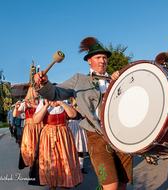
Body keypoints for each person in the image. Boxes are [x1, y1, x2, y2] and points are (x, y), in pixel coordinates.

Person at [34, 37, 133, 190]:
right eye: (98, 58)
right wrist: (44, 83)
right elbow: (55, 93)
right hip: (97, 136)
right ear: (89, 60)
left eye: (104, 58)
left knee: (122, 184)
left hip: (120, 135)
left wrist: (120, 81)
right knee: (111, 186)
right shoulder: (79, 80)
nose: (102, 61)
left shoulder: (115, 79)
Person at [32, 98, 83, 189]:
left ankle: (64, 184)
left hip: (63, 136)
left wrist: (61, 103)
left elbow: (73, 114)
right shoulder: (43, 104)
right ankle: (52, 185)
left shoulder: (63, 104)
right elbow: (36, 120)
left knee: (64, 161)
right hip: (48, 137)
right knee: (51, 162)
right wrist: (46, 106)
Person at [13, 86, 42, 168]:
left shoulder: (40, 101)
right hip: (29, 127)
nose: (37, 92)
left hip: (39, 125)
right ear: (30, 92)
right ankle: (31, 165)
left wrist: (31, 104)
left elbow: (43, 109)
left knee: (40, 146)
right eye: (35, 91)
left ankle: (40, 165)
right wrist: (16, 108)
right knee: (30, 147)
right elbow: (15, 114)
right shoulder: (24, 103)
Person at [68, 97, 89, 174]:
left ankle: (81, 167)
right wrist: (72, 107)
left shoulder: (81, 106)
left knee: (81, 148)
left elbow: (84, 115)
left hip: (80, 126)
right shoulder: (68, 106)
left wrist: (77, 107)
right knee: (72, 147)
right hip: (72, 126)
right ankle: (72, 167)